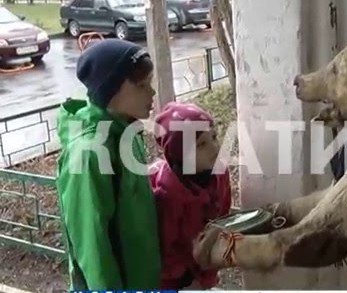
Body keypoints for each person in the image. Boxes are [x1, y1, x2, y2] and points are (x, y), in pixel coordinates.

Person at [55, 39, 161, 290]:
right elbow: (93, 247)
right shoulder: (88, 152)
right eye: (142, 85)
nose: (152, 92)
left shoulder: (126, 133)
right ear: (111, 91)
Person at [149, 102, 232, 290]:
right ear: (180, 155)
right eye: (201, 144)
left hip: (203, 267)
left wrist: (208, 271)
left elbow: (223, 220)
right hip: (173, 280)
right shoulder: (168, 193)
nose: (215, 148)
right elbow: (165, 248)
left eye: (214, 137)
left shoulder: (219, 173)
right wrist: (186, 280)